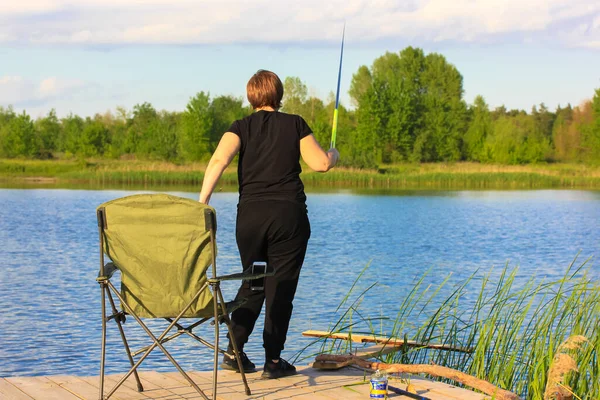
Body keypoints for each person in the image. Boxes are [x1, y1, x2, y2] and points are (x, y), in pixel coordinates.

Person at [198, 69, 339, 379]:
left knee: (254, 281)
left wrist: (202, 202)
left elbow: (218, 161)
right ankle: (273, 362)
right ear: (279, 94)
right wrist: (333, 154)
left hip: (249, 219)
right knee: (280, 288)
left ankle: (235, 350)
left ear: (251, 97)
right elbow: (321, 164)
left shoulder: (240, 127)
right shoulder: (295, 123)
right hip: (287, 219)